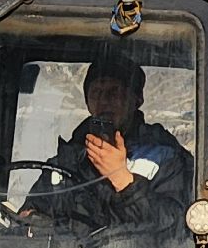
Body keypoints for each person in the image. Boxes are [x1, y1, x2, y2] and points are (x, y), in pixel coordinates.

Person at [20, 53, 194, 234]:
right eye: (96, 93)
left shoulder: (166, 159)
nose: (104, 101)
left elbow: (178, 231)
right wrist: (31, 221)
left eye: (114, 92)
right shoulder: (64, 165)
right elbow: (28, 223)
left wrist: (123, 180)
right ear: (87, 101)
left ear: (136, 99)